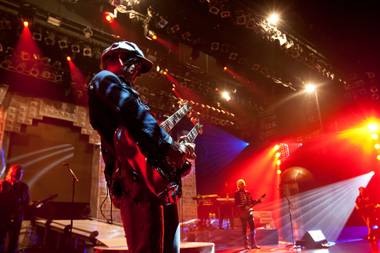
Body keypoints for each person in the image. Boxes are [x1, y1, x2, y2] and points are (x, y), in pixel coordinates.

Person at [87, 41, 195, 253]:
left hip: (153, 181)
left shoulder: (127, 91)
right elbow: (133, 115)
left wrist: (177, 162)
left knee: (169, 247)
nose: (137, 71)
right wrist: (169, 146)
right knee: (149, 246)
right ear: (117, 58)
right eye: (134, 63)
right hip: (135, 182)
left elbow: (144, 135)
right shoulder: (104, 78)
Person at [0, 164, 30, 253]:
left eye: (21, 172)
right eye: (18, 172)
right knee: (0, 238)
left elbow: (26, 201)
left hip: (16, 217)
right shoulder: (3, 183)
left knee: (14, 240)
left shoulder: (24, 186)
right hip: (3, 216)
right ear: (12, 172)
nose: (20, 174)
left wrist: (21, 208)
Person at [234, 179, 260, 249]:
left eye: (243, 184)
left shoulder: (248, 193)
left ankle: (253, 244)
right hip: (242, 213)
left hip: (249, 212)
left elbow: (251, 201)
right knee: (244, 229)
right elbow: (236, 204)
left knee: (253, 228)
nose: (242, 186)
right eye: (241, 185)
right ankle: (245, 245)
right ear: (238, 186)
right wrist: (243, 207)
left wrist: (257, 201)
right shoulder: (236, 194)